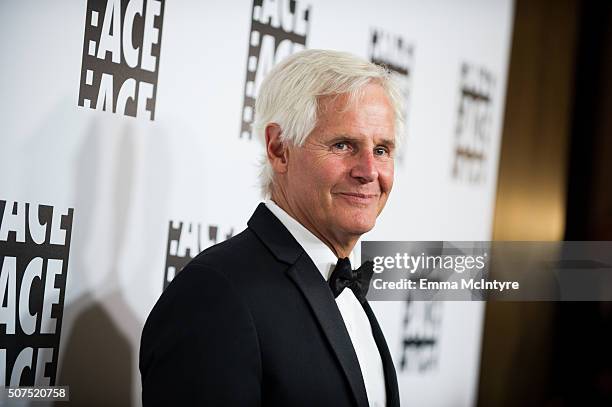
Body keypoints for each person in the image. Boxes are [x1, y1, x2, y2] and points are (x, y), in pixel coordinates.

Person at [140, 49, 404, 407]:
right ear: (279, 149)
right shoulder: (215, 295)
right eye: (343, 145)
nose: (369, 171)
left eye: (382, 150)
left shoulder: (347, 289)